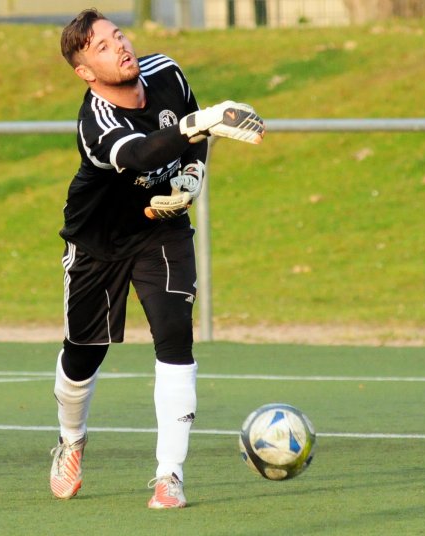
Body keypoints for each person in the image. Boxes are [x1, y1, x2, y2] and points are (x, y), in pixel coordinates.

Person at [50, 9, 264, 509]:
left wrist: (191, 177)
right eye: (101, 47)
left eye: (117, 35)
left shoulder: (165, 71)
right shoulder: (94, 122)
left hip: (160, 230)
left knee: (174, 337)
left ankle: (170, 475)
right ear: (85, 71)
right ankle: (71, 439)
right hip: (98, 242)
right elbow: (144, 154)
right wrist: (200, 122)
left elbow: (194, 138)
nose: (119, 47)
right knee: (84, 352)